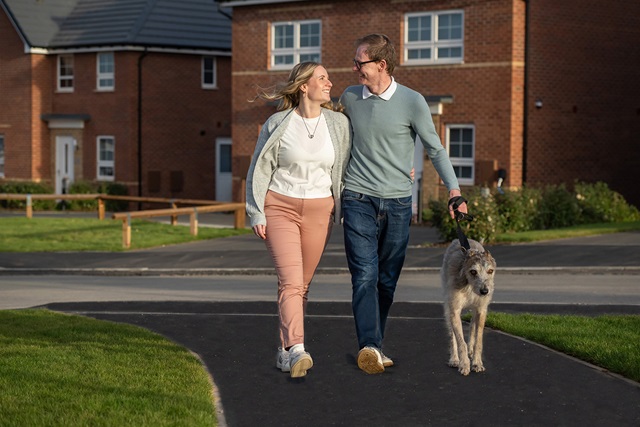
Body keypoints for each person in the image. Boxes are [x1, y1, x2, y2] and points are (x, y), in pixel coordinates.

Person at [339, 34, 468, 374]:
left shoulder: (412, 101)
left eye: (360, 63)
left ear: (381, 65)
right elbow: (332, 139)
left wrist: (454, 190)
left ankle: (375, 347)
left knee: (387, 280)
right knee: (364, 275)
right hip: (357, 197)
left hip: (397, 202)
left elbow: (435, 149)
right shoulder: (350, 97)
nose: (354, 69)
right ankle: (368, 344)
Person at [245, 62, 352, 378]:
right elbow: (259, 168)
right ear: (304, 85)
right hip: (280, 207)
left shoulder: (339, 124)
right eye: (322, 77)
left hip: (321, 210)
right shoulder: (278, 123)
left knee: (301, 286)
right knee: (291, 282)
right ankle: (297, 349)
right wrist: (256, 211)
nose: (329, 82)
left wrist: (403, 169)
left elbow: (360, 157)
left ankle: (284, 351)